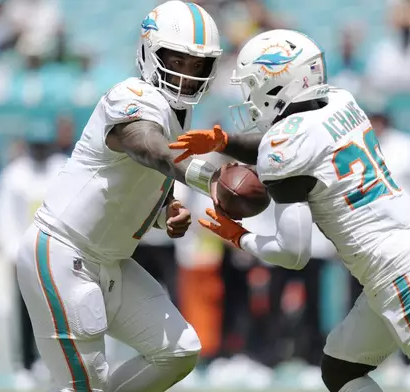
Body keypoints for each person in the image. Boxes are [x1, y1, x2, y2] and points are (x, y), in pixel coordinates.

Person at [170, 28, 410, 392]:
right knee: (340, 369)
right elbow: (293, 141)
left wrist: (240, 236)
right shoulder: (342, 101)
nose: (250, 98)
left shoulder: (285, 146)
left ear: (279, 82)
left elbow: (292, 254)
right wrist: (225, 141)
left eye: (254, 86)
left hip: (397, 274)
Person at [16, 2, 261, 390]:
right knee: (86, 385)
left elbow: (142, 179)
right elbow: (148, 148)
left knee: (178, 351)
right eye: (178, 60)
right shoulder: (129, 94)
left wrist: (167, 212)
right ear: (150, 52)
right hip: (64, 252)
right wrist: (211, 178)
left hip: (111, 261)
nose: (186, 74)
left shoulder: (178, 112)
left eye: (198, 65)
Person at [0, 121, 68, 389]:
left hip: (56, 252)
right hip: (25, 254)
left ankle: (52, 363)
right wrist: (13, 251)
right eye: (35, 146)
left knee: (57, 310)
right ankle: (25, 364)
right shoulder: (14, 174)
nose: (40, 152)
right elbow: (6, 216)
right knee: (25, 310)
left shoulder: (62, 167)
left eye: (43, 146)